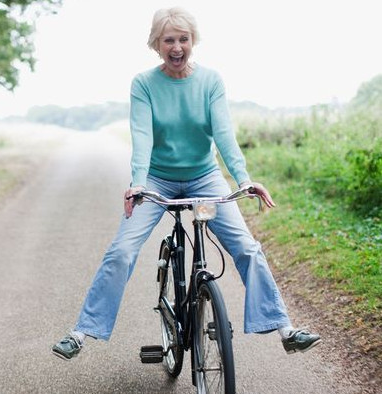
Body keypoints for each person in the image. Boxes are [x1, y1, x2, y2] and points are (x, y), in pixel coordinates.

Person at [52, 6, 321, 361]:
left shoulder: (210, 81)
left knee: (246, 247)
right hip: (156, 180)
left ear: (193, 42)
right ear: (156, 44)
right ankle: (82, 332)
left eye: (183, 39)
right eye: (169, 40)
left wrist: (243, 180)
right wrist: (137, 183)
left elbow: (224, 135)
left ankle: (285, 329)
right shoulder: (144, 84)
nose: (177, 47)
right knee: (122, 251)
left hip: (204, 178)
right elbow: (142, 137)